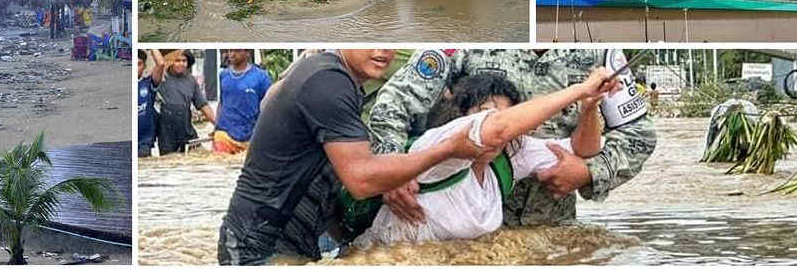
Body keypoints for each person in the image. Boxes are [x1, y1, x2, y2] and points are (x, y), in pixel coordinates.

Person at [218, 50, 494, 265]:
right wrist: (446, 150)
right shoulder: (329, 81)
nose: (382, 50)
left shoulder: (333, 77)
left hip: (290, 238)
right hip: (257, 244)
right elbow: (361, 180)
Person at [368, 49, 657, 227]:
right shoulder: (467, 41)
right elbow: (394, 103)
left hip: (552, 224)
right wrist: (393, 170)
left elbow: (639, 134)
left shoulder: (601, 55)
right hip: (455, 219)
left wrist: (588, 172)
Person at [350, 69, 617, 247]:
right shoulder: (441, 143)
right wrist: (580, 89)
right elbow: (496, 128)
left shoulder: (510, 154)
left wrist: (590, 105)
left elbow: (583, 150)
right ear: (462, 115)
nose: (498, 127)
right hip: (386, 256)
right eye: (484, 112)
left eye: (505, 114)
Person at [157, 51, 217, 154]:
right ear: (170, 61)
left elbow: (203, 105)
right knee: (169, 162)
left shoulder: (191, 81)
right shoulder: (161, 77)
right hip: (166, 133)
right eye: (177, 61)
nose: (181, 64)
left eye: (184, 61)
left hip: (186, 130)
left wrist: (217, 125)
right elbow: (160, 63)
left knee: (199, 157)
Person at [214, 50, 273, 154]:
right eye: (230, 51)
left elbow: (269, 106)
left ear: (247, 53)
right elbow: (222, 101)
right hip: (224, 134)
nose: (232, 54)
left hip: (251, 135)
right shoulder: (224, 75)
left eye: (237, 51)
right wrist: (216, 126)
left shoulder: (261, 77)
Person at [138, 49, 167, 157]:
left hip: (143, 143)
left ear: (144, 66)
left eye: (139, 64)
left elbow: (161, 64)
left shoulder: (148, 83)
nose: (136, 68)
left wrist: (151, 48)